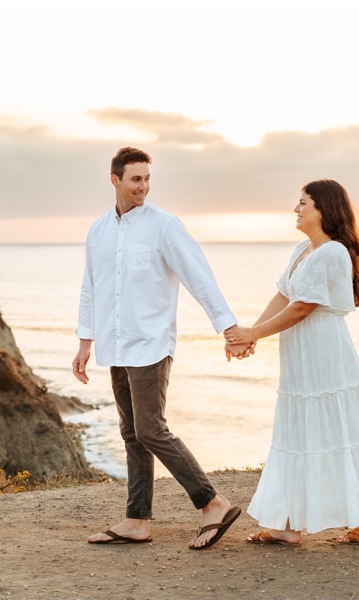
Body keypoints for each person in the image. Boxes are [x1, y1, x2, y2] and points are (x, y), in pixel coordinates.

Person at [75, 147, 244, 550]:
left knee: (151, 428)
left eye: (147, 179)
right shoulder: (97, 231)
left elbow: (198, 275)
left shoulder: (165, 226)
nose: (143, 187)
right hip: (115, 344)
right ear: (114, 179)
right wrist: (85, 342)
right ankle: (137, 520)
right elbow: (90, 288)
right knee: (132, 432)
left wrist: (229, 327)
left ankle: (212, 503)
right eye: (136, 179)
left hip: (150, 343)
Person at [223, 179, 359, 546]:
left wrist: (254, 335)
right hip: (301, 355)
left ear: (323, 208)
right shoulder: (303, 250)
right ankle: (286, 523)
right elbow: (285, 295)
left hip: (325, 354)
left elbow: (304, 307)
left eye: (303, 202)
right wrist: (251, 332)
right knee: (297, 430)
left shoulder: (332, 253)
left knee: (336, 430)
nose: (296, 209)